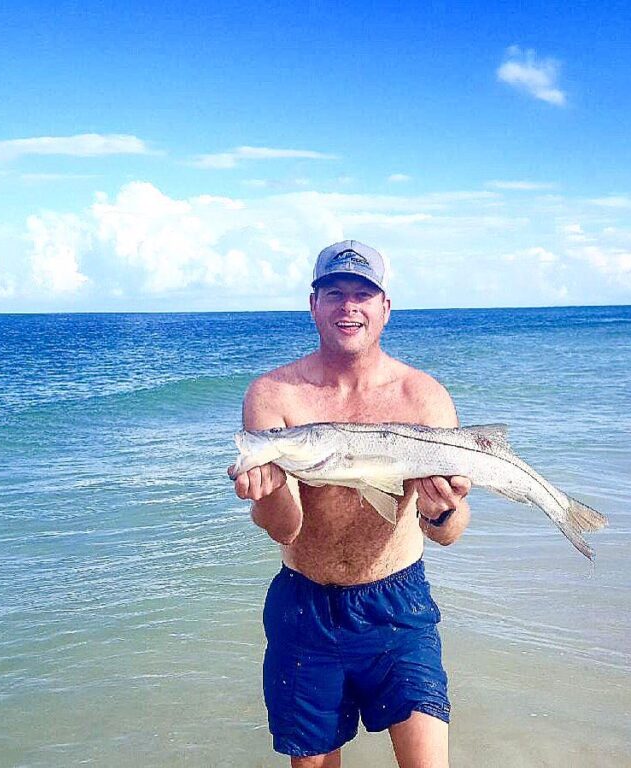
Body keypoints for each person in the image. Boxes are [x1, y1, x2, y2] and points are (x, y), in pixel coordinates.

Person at [229, 240, 471, 768]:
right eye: (334, 292)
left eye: (363, 293)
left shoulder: (423, 396)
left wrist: (441, 508)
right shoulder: (274, 395)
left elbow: (450, 532)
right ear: (312, 305)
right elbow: (285, 528)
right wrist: (268, 491)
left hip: (398, 606)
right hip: (305, 606)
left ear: (385, 307)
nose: (348, 306)